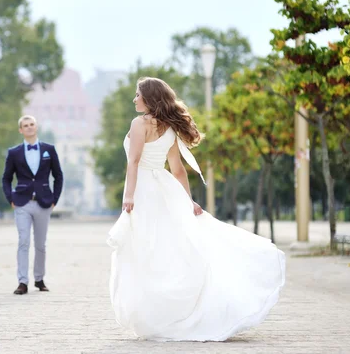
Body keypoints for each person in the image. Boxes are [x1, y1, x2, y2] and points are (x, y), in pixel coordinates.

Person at [108, 77, 285, 341]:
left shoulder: (138, 124)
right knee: (168, 248)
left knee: (146, 249)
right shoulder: (169, 128)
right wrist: (186, 201)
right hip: (165, 189)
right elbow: (178, 171)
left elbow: (133, 162)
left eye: (137, 95)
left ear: (149, 98)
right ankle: (170, 311)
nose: (134, 99)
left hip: (145, 190)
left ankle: (157, 314)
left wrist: (129, 196)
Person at [2, 115, 63, 295]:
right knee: (23, 241)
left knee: (40, 244)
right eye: (25, 125)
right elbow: (6, 178)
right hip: (22, 202)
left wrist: (55, 199)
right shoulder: (14, 152)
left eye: (32, 125)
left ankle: (39, 279)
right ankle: (22, 281)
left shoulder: (48, 150)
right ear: (21, 130)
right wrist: (10, 197)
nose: (29, 127)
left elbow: (58, 176)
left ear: (36, 127)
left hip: (44, 202)